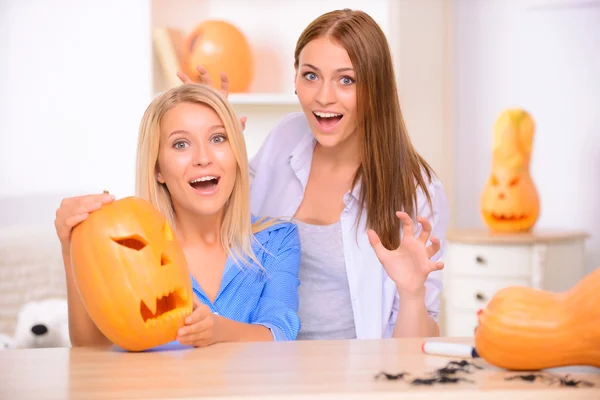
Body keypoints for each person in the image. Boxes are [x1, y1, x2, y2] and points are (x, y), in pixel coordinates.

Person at [179, 9, 451, 340]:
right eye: (311, 75)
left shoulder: (417, 190)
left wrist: (411, 294)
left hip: (354, 381)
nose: (323, 96)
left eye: (346, 80)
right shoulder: (286, 137)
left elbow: (416, 347)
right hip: (264, 363)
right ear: (295, 80)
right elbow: (220, 220)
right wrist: (215, 137)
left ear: (376, 89)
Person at [54, 83, 302, 348]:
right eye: (181, 144)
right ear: (158, 169)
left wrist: (218, 331)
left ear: (236, 153)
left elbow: (281, 332)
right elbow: (91, 348)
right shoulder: (129, 251)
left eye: (217, 138)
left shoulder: (276, 240)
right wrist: (71, 247)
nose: (203, 158)